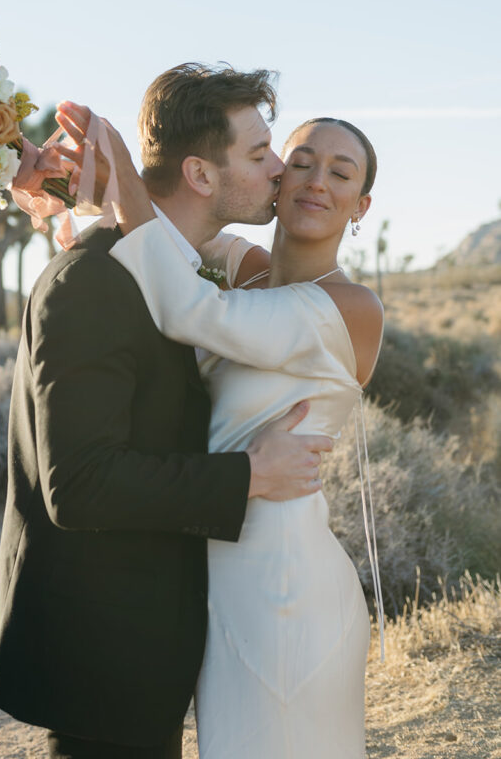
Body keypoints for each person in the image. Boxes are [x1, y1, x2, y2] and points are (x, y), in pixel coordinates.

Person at [0, 64, 336, 759]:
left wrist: (104, 188)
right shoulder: (93, 280)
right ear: (202, 175)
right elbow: (79, 484)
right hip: (103, 658)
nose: (278, 172)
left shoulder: (174, 269)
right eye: (259, 153)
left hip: (153, 650)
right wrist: (249, 475)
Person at [55, 102, 384, 759]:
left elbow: (190, 309)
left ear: (361, 206)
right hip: (215, 580)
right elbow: (175, 226)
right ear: (275, 179)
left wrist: (121, 166)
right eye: (301, 163)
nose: (317, 181)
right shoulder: (247, 271)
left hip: (284, 590)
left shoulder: (349, 307)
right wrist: (89, 182)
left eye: (340, 174)